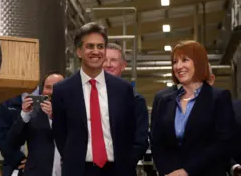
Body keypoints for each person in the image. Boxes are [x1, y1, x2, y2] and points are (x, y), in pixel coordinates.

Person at [51, 22, 136, 176]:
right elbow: (60, 134)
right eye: (90, 46)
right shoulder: (62, 90)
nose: (96, 51)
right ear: (79, 51)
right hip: (79, 170)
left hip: (117, 170)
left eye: (100, 46)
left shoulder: (123, 89)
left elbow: (130, 131)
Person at [150, 40, 235, 176]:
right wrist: (167, 172)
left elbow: (222, 144)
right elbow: (156, 143)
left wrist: (186, 171)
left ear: (199, 62)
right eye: (175, 62)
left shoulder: (219, 98)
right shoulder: (162, 99)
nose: (179, 66)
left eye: (185, 60)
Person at [102, 43, 149, 174]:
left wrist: (124, 165)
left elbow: (141, 140)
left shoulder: (135, 100)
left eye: (114, 60)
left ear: (123, 66)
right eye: (104, 60)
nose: (108, 64)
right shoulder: (85, 95)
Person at [6, 71, 64, 176]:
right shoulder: (34, 113)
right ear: (42, 90)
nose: (51, 92)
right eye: (48, 87)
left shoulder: (73, 112)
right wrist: (24, 114)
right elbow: (11, 144)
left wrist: (53, 118)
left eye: (56, 87)